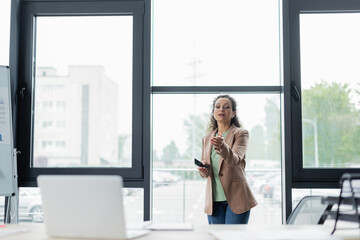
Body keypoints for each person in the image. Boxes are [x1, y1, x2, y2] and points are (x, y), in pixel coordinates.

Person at [198, 94, 257, 224]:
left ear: (233, 113)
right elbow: (206, 170)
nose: (221, 110)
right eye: (217, 107)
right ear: (213, 113)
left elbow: (235, 160)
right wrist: (203, 170)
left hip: (237, 198)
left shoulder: (241, 134)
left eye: (226, 107)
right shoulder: (206, 138)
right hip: (214, 200)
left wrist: (222, 146)